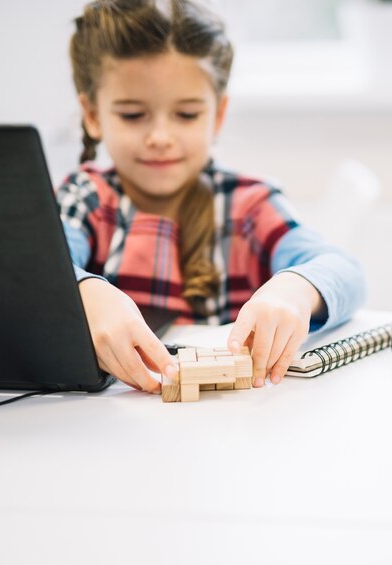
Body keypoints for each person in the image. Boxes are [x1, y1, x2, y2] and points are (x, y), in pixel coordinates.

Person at [56, 0, 366, 393]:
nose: (161, 137)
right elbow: (34, 273)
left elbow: (345, 270)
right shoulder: (84, 197)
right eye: (133, 115)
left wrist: (297, 289)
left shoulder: (249, 204)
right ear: (93, 115)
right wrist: (84, 290)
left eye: (186, 115)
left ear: (217, 116)